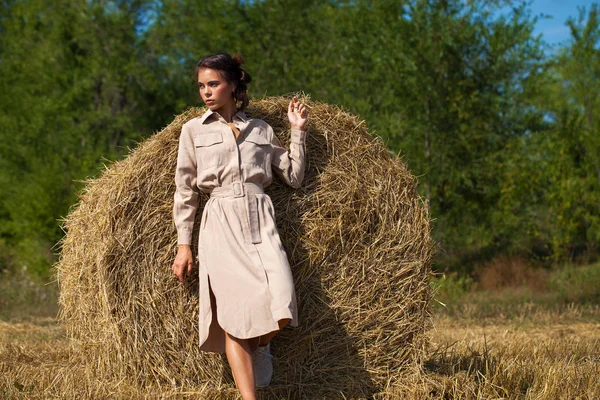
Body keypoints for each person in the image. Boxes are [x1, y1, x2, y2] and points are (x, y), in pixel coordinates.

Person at [171, 53, 308, 400]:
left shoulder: (260, 129)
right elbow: (185, 190)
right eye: (201, 86)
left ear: (233, 85)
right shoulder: (192, 131)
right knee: (232, 318)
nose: (206, 92)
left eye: (213, 84)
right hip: (220, 221)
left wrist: (297, 132)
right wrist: (184, 245)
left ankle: (260, 346)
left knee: (283, 299)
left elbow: (293, 177)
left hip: (260, 218)